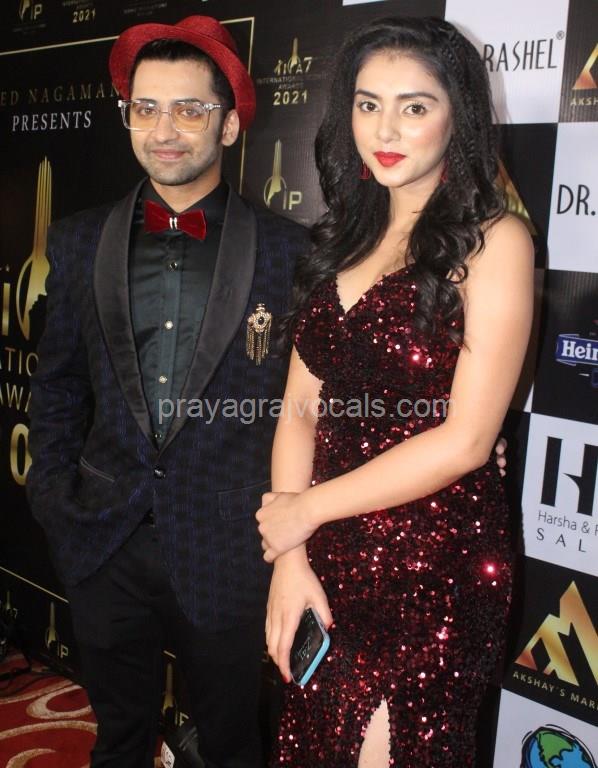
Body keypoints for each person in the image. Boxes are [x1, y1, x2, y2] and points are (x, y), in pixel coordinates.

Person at [26, 15, 309, 768]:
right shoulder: (78, 241)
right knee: (117, 737)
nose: (164, 130)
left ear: (229, 124)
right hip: (103, 538)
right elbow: (57, 385)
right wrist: (53, 496)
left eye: (189, 109)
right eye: (145, 108)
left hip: (229, 547)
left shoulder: (290, 252)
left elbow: (311, 404)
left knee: (232, 744)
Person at [256, 16, 533, 768]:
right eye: (368, 103)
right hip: (325, 547)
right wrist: (291, 556)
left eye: (415, 106)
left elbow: (467, 441)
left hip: (433, 562)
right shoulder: (338, 237)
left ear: (458, 117)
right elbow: (300, 409)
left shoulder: (494, 243)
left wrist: (302, 511)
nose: (385, 129)